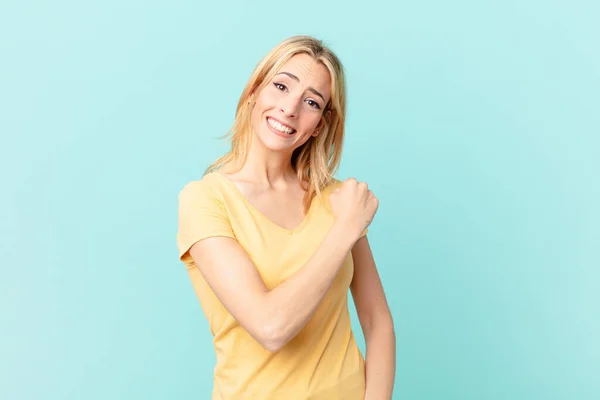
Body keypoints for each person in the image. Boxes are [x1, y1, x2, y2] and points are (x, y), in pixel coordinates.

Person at [176, 35, 396, 399]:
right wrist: (344, 230)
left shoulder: (339, 199)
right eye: (281, 86)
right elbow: (270, 327)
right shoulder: (205, 200)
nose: (289, 109)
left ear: (320, 125)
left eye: (311, 102)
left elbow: (378, 322)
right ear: (255, 92)